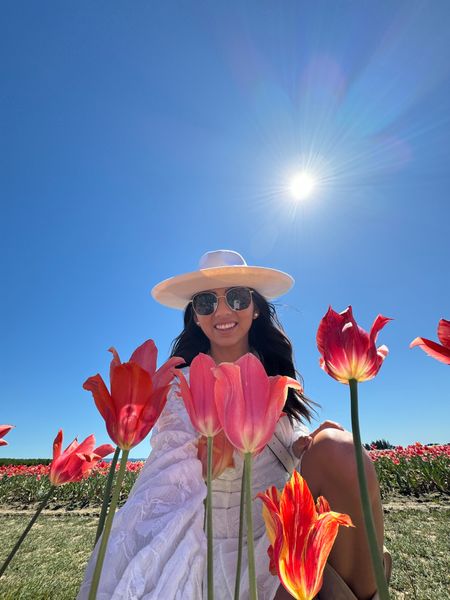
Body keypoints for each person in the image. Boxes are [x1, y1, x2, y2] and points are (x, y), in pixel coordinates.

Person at [78, 250, 390, 600]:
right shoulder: (179, 384)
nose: (222, 312)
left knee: (341, 449)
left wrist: (307, 440)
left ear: (255, 308)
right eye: (207, 302)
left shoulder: (273, 373)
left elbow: (281, 440)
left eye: (238, 298)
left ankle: (371, 590)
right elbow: (171, 468)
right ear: (195, 316)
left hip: (270, 527)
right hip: (205, 534)